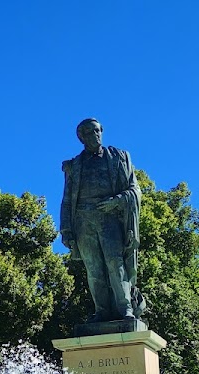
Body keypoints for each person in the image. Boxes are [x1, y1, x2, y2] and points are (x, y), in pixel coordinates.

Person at [59, 118, 143, 326]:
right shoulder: (75, 166)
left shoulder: (119, 158)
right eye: (87, 133)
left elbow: (135, 190)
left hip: (110, 218)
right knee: (93, 269)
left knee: (116, 264)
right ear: (81, 138)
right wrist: (66, 230)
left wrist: (116, 202)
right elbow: (67, 199)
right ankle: (102, 311)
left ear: (101, 131)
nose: (93, 135)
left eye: (96, 131)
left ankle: (126, 309)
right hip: (83, 221)